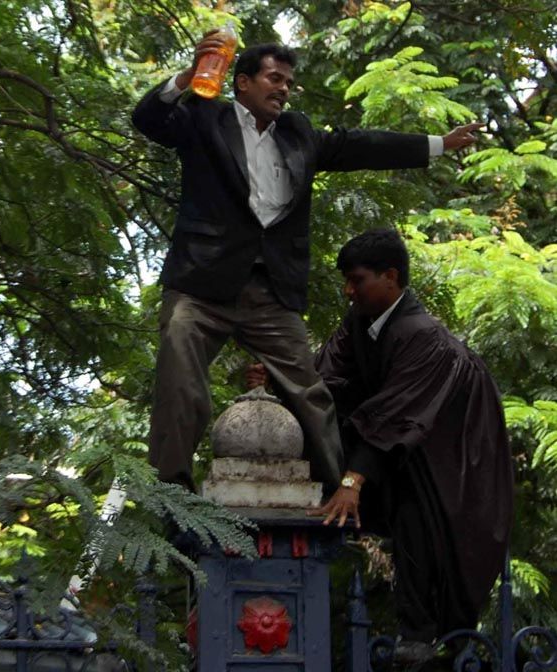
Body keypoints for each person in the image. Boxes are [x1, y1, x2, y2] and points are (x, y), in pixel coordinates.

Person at [132, 36, 483, 494]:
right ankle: (172, 495)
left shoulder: (297, 133)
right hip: (201, 284)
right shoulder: (205, 117)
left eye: (289, 83)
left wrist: (438, 143)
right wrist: (189, 74)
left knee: (310, 394)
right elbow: (148, 119)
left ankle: (336, 498)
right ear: (243, 82)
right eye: (274, 78)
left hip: (271, 291)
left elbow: (361, 146)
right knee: (179, 374)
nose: (283, 89)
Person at [252, 229, 513, 656]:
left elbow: (396, 414)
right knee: (402, 512)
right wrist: (276, 381)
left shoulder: (422, 335)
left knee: (428, 523)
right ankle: (417, 637)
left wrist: (352, 482)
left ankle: (430, 641)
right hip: (404, 444)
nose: (348, 290)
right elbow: (322, 383)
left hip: (454, 448)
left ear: (390, 277)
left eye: (357, 280)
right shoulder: (359, 323)